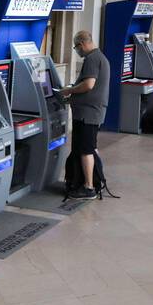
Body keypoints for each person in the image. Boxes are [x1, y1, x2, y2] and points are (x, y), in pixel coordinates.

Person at [58, 30, 110, 197]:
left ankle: (88, 187)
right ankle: (92, 180)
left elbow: (88, 85)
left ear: (81, 44)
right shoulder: (100, 57)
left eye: (76, 47)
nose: (77, 51)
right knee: (89, 148)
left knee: (86, 150)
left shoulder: (92, 59)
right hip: (91, 113)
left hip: (88, 114)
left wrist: (69, 91)